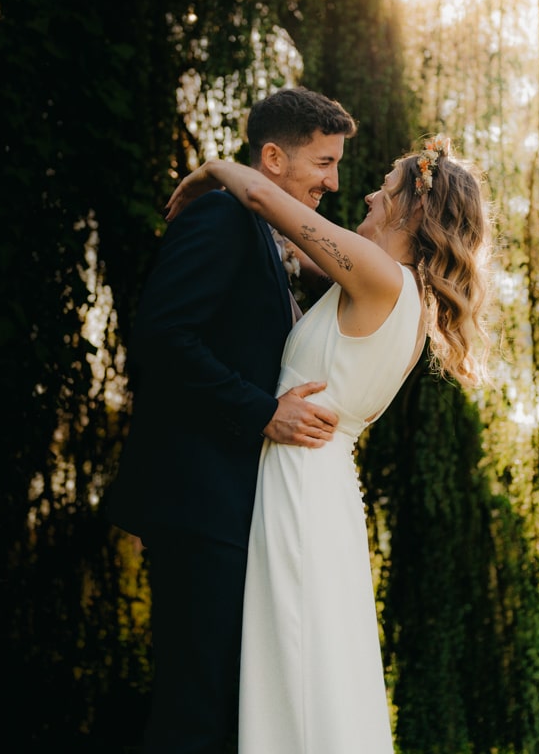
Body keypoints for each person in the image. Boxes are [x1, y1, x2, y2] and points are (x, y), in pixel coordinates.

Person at [165, 135, 493, 754]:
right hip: (319, 483)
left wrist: (210, 169)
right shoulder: (399, 297)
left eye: (386, 187)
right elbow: (286, 250)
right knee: (307, 658)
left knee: (292, 652)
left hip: (301, 482)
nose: (367, 194)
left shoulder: (378, 277)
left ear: (413, 211)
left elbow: (264, 197)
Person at [105, 87, 358, 754]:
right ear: (272, 159)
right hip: (200, 503)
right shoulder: (219, 218)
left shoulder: (259, 228)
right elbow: (162, 336)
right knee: (196, 704)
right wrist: (262, 413)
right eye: (323, 163)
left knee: (219, 703)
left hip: (229, 506)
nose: (333, 181)